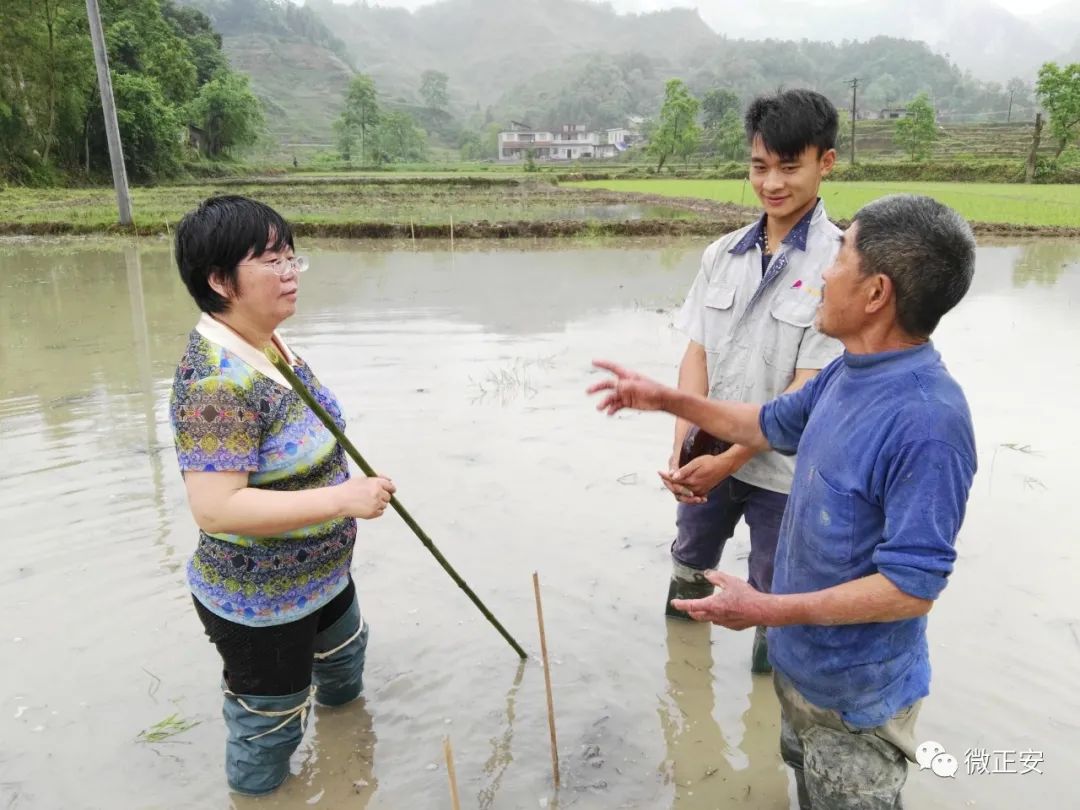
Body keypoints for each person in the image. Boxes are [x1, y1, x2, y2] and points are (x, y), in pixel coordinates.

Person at [590, 194, 978, 809]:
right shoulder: (846, 372)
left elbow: (912, 587)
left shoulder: (927, 422)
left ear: (875, 293)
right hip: (801, 677)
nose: (824, 272)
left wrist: (766, 610)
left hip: (859, 708)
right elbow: (767, 424)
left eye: (840, 257)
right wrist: (667, 399)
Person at [168, 195, 396, 795]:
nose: (291, 271)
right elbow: (216, 509)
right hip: (260, 602)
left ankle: (351, 756)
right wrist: (344, 500)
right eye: (271, 260)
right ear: (220, 281)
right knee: (267, 731)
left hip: (323, 574)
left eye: (292, 255)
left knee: (345, 669)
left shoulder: (269, 342)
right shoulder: (217, 381)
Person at [663, 89, 844, 676]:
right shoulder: (722, 254)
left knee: (771, 591)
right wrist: (685, 439)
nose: (772, 183)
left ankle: (766, 702)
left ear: (826, 163)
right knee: (690, 559)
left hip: (785, 473)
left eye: (790, 167)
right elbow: (697, 354)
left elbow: (806, 387)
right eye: (760, 166)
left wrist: (732, 455)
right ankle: (683, 673)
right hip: (707, 455)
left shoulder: (841, 266)